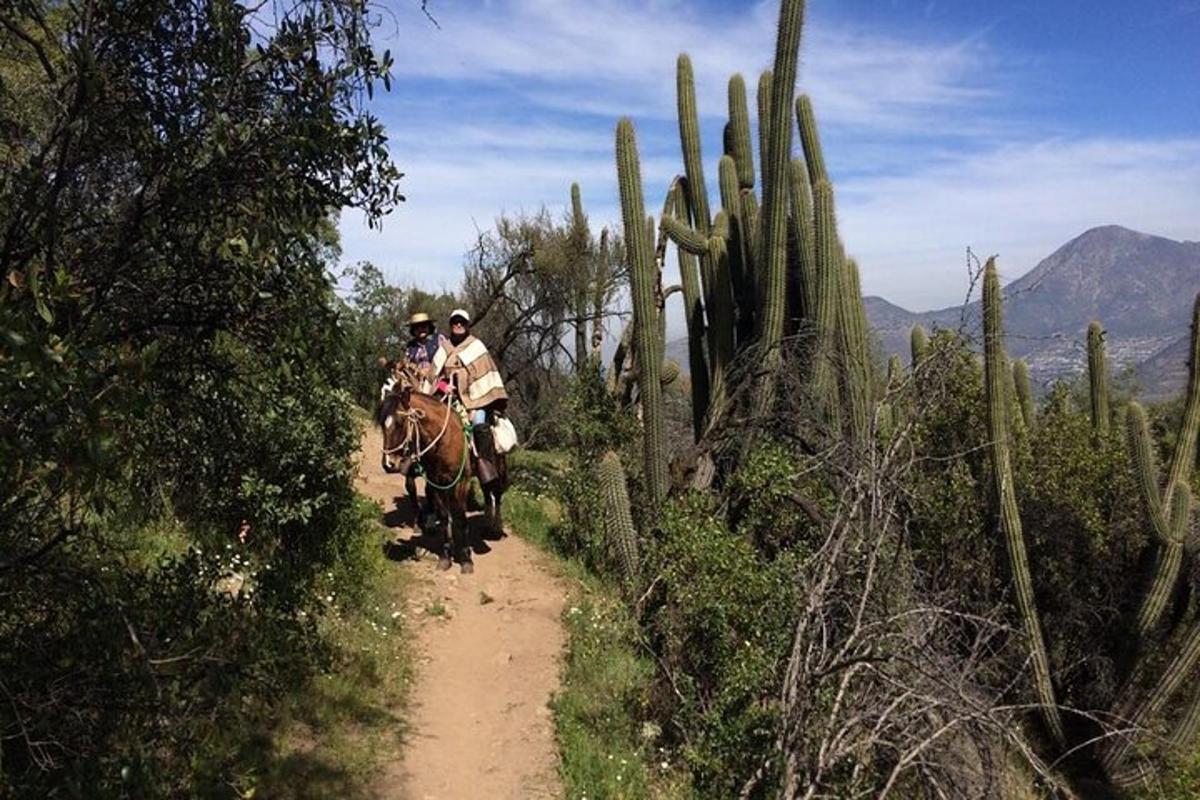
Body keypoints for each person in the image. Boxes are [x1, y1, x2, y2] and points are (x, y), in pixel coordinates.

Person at [432, 308, 508, 483]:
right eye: (455, 322)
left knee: (478, 423)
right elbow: (435, 377)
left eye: (462, 322)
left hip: (476, 400)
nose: (458, 325)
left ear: (467, 325)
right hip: (450, 399)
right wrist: (445, 387)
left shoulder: (476, 346)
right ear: (451, 325)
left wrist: (465, 384)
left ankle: (484, 464)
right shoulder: (444, 349)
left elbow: (485, 375)